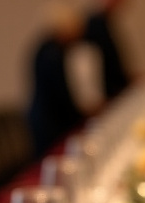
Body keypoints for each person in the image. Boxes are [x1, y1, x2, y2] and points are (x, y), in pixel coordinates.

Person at [27, 7, 87, 157]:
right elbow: (60, 94)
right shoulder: (51, 54)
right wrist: (82, 113)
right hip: (49, 123)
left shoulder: (50, 48)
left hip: (48, 118)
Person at [84, 0, 132, 104]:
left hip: (117, 88)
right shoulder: (95, 25)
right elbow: (103, 64)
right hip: (110, 93)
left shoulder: (105, 22)